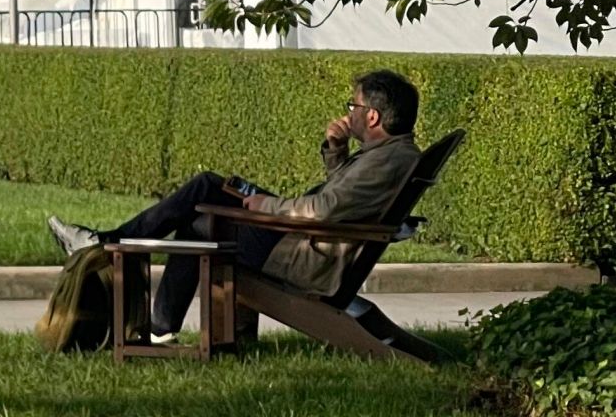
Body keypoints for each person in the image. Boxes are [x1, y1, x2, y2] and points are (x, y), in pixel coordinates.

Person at [48, 69, 424, 345]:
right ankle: (159, 327)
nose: (349, 113)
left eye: (353, 106)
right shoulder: (389, 155)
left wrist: (268, 206)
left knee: (206, 190)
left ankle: (107, 243)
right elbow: (347, 197)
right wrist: (337, 150)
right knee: (199, 218)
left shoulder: (386, 160)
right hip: (306, 242)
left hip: (301, 254)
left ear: (372, 116)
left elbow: (325, 209)